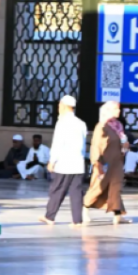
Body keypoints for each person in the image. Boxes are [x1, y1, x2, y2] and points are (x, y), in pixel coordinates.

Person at [39, 95, 87, 226]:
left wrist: (52, 161)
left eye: (60, 105)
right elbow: (82, 145)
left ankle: (50, 216)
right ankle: (77, 220)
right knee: (76, 191)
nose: (58, 107)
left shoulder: (62, 123)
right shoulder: (81, 123)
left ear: (64, 106)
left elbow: (58, 144)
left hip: (65, 163)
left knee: (57, 189)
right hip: (78, 163)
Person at [84, 100, 132, 226]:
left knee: (116, 189)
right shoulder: (102, 126)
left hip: (117, 162)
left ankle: (117, 215)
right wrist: (96, 162)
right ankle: (84, 208)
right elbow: (95, 145)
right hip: (104, 163)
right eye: (116, 109)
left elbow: (121, 144)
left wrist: (125, 146)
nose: (119, 111)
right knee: (98, 187)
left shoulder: (119, 126)